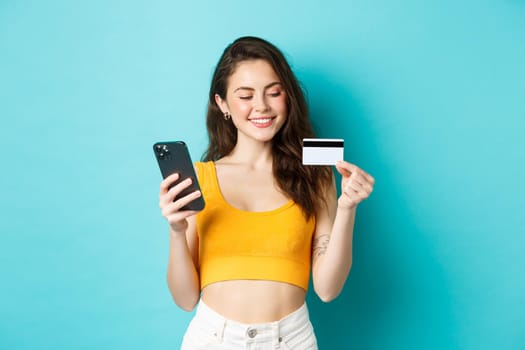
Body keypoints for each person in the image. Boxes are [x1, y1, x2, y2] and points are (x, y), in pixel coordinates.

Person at [158, 36, 375, 350]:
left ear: (288, 97)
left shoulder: (315, 175)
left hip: (291, 340)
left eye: (274, 92)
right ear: (222, 104)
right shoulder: (199, 177)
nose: (261, 106)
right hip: (212, 339)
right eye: (245, 95)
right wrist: (177, 231)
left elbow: (328, 289)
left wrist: (347, 207)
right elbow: (185, 298)